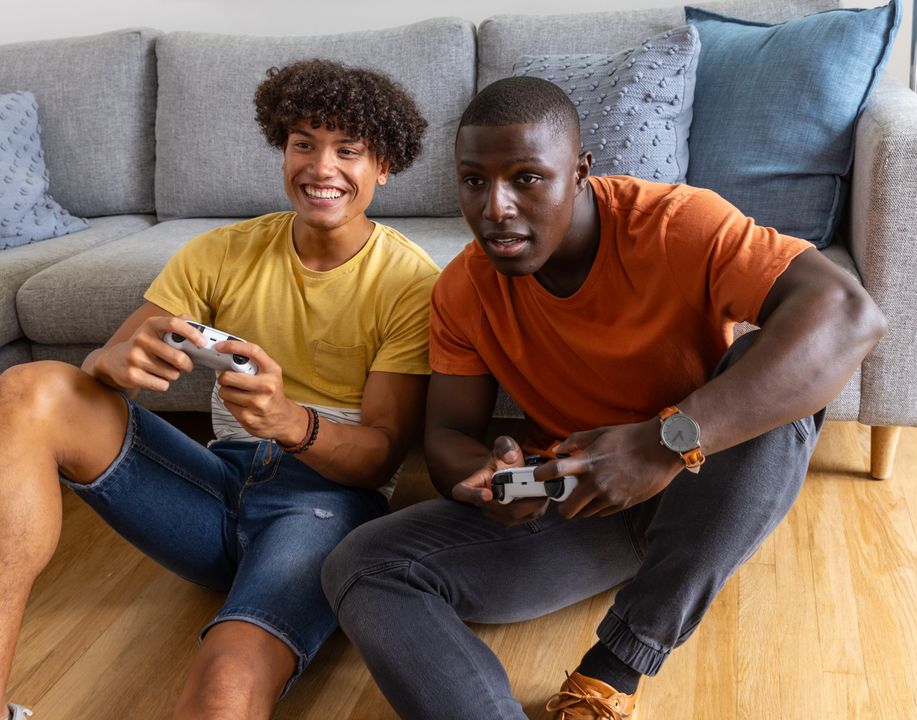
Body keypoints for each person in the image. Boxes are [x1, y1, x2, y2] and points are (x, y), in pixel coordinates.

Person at [321, 75, 887, 720]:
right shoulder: (462, 290)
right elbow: (448, 435)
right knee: (360, 564)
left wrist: (663, 442)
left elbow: (849, 312)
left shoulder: (677, 223)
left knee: (779, 368)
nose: (495, 207)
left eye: (527, 178)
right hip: (579, 498)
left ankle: (615, 666)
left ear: (581, 171)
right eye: (474, 180)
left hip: (704, 483)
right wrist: (481, 479)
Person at [0, 59, 438, 720]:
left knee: (226, 683)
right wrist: (111, 365)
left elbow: (381, 458)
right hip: (211, 485)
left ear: (385, 167)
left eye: (349, 151)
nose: (322, 168)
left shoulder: (411, 283)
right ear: (281, 149)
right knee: (32, 388)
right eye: (303, 144)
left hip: (324, 509)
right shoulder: (220, 252)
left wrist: (289, 421)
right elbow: (98, 370)